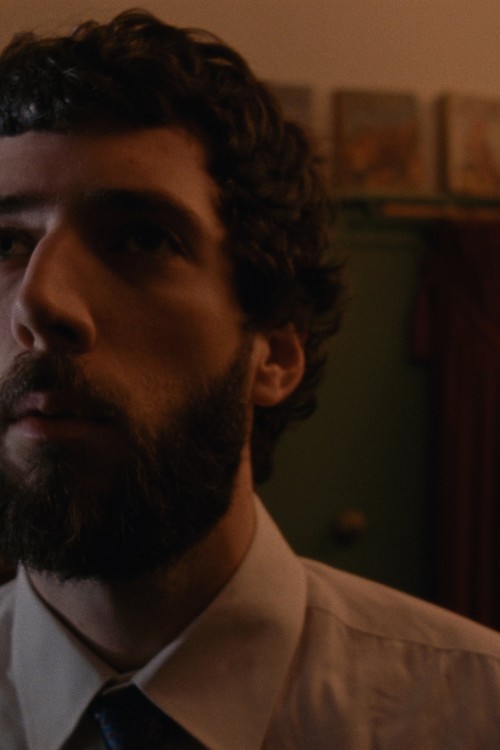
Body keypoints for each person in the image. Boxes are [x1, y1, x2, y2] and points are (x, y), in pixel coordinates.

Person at [0, 9, 498, 750]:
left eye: (141, 238)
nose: (39, 303)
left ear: (275, 355)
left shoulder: (476, 715)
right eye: (6, 243)